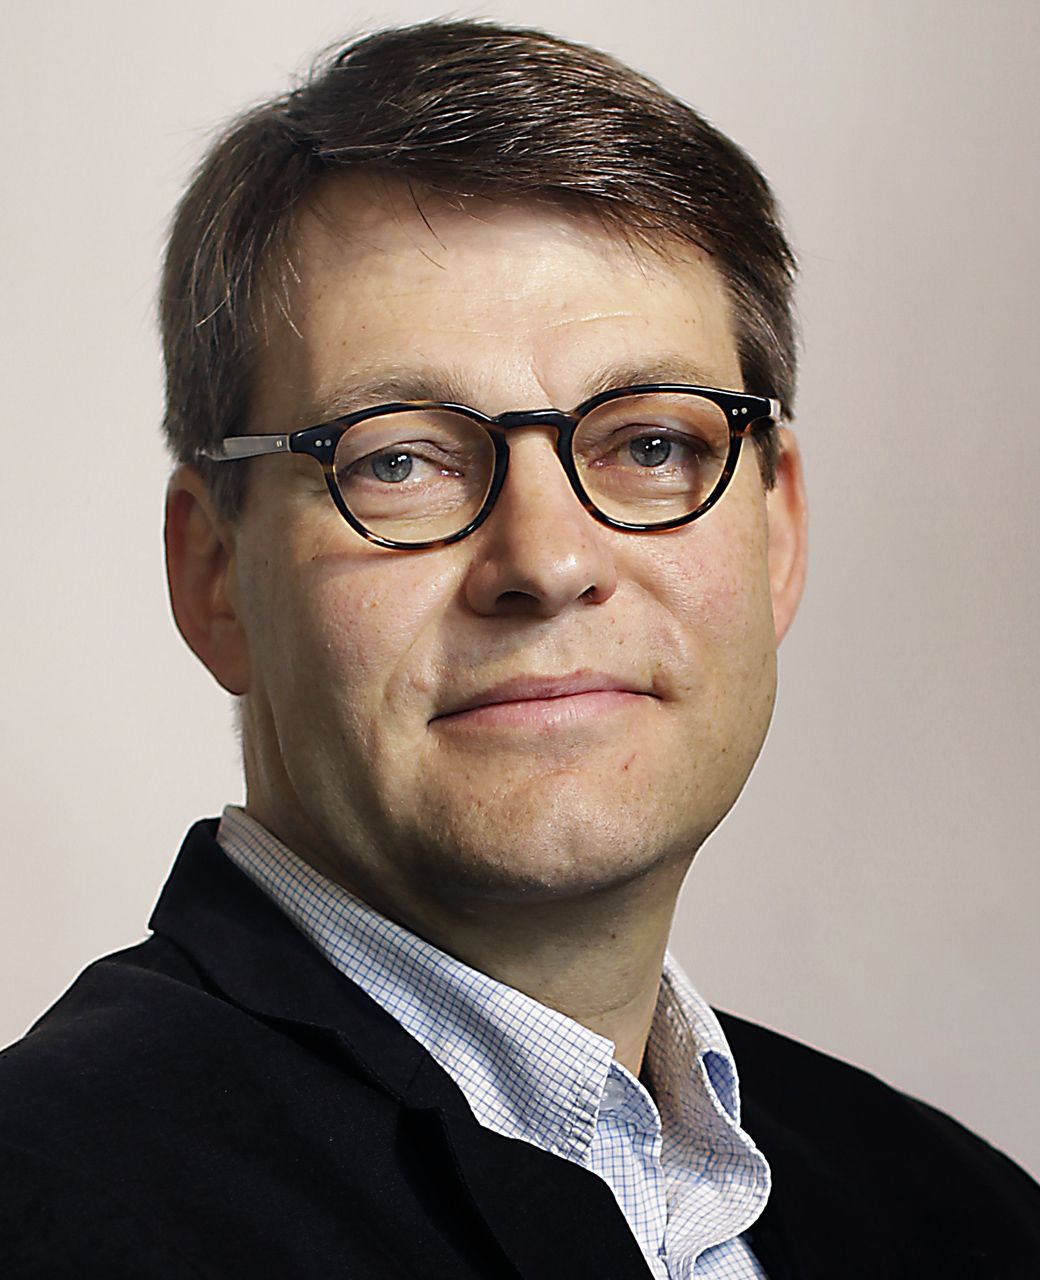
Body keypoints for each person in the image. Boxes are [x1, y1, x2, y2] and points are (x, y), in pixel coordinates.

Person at [1, 19, 1037, 1279]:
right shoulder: (48, 1211)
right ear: (212, 575)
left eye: (650, 444)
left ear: (776, 535)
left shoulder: (962, 1215)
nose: (545, 562)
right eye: (398, 458)